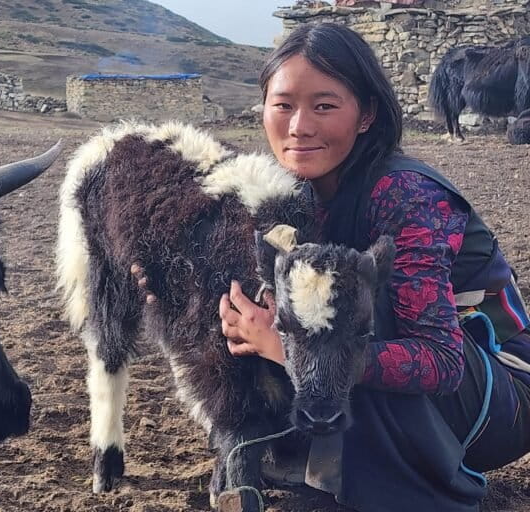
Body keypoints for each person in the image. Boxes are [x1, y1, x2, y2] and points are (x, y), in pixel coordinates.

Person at [136, 23, 530, 511]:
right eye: (283, 105)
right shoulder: (289, 195)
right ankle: (295, 454)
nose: (299, 126)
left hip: (496, 398)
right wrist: (174, 288)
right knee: (248, 289)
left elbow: (441, 362)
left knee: (341, 302)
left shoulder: (406, 196)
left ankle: (399, 483)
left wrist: (285, 349)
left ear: (366, 114)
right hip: (425, 393)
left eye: (324, 106)